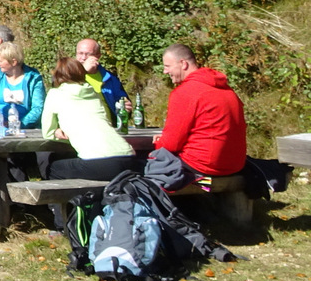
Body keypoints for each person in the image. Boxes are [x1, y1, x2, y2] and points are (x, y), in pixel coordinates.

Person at [38, 57, 138, 224]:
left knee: (53, 168)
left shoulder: (56, 94)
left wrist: (60, 131)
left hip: (99, 161)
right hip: (128, 156)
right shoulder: (93, 91)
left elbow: (47, 132)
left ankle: (62, 223)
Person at [155, 45, 247, 177]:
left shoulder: (185, 92)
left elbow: (171, 145)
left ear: (183, 64)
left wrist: (160, 142)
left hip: (203, 166)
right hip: (235, 165)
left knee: (144, 164)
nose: (165, 71)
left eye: (167, 66)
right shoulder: (226, 89)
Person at [0, 42, 45, 130]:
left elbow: (38, 108)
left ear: (14, 62)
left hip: (27, 128)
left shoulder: (34, 79)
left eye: (0, 61)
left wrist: (21, 124)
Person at [74, 38, 129, 121]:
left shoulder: (110, 78)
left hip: (108, 128)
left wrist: (126, 108)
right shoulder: (67, 76)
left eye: (88, 54)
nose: (83, 58)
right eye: (80, 53)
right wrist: (83, 72)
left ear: (98, 56)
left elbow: (122, 102)